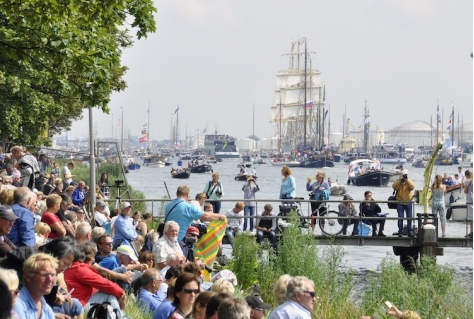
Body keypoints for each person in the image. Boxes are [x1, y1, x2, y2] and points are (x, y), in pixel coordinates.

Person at [64, 241, 126, 315]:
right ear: (88, 257)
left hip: (76, 302)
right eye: (93, 256)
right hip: (78, 306)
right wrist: (121, 293)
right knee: (108, 294)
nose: (94, 259)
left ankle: (119, 315)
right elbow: (104, 283)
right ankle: (121, 316)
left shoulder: (75, 266)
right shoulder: (79, 269)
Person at [13, 253, 57, 319]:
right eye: (44, 275)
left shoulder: (47, 309)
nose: (50, 280)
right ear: (27, 276)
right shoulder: (17, 304)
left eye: (53, 275)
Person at [464, 169, 473, 238]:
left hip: (470, 199)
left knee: (471, 217)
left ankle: (471, 232)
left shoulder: (468, 181)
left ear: (466, 175)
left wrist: (463, 187)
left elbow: (465, 191)